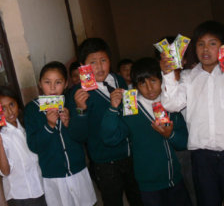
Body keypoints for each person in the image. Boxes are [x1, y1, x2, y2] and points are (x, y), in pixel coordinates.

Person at [100, 57, 192, 206]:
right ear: (135, 86)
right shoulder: (131, 109)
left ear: (162, 79)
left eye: (153, 81)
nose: (149, 88)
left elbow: (184, 142)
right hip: (147, 185)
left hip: (174, 178)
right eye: (142, 83)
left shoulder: (172, 103)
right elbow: (109, 138)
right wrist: (112, 109)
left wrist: (171, 135)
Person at [68, 38, 143, 206]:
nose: (99, 67)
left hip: (130, 154)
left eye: (103, 60)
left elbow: (130, 113)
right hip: (104, 161)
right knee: (113, 200)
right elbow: (78, 135)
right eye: (92, 62)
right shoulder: (77, 92)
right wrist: (81, 109)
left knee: (138, 196)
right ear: (83, 66)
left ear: (110, 60)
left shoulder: (119, 81)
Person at [160, 20, 224, 206]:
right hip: (202, 156)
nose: (206, 49)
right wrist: (169, 74)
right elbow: (172, 104)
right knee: (208, 201)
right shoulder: (188, 78)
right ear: (194, 48)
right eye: (201, 44)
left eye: (213, 43)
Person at [24, 61, 96, 206]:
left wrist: (71, 121)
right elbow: (34, 146)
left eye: (58, 82)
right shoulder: (32, 109)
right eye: (47, 82)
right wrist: (49, 126)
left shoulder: (70, 102)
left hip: (78, 170)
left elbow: (82, 136)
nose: (52, 87)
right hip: (53, 175)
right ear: (39, 84)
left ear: (65, 84)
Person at [0, 86, 47, 206]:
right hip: (20, 195)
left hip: (40, 187)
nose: (10, 112)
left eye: (11, 105)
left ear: (18, 104)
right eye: (3, 109)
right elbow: (5, 171)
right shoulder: (4, 136)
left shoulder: (25, 126)